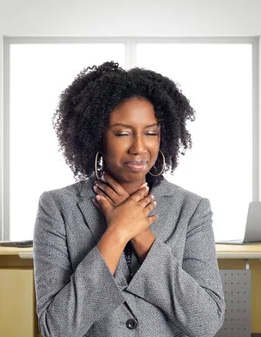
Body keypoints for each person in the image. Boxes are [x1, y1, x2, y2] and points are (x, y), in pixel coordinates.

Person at [33, 61, 225, 337]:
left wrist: (141, 234)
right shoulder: (57, 208)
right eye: (122, 133)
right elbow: (56, 328)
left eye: (150, 132)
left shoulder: (191, 209)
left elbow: (206, 322)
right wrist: (118, 232)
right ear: (97, 136)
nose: (139, 147)